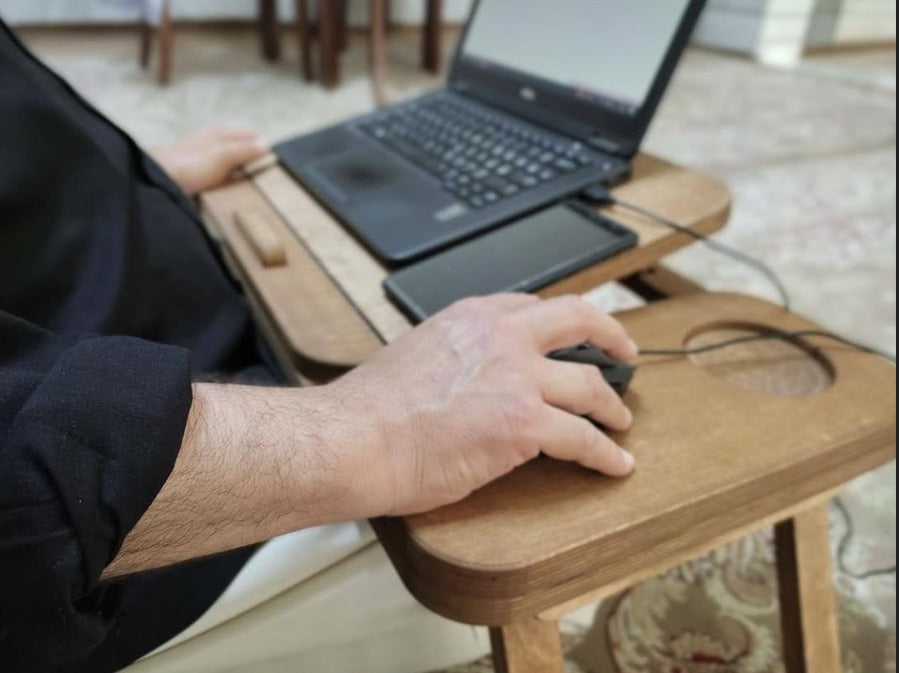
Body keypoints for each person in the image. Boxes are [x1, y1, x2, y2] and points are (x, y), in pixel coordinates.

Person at [0, 18, 637, 673]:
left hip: (171, 334)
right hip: (140, 561)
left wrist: (127, 177)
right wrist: (382, 428)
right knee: (569, 504)